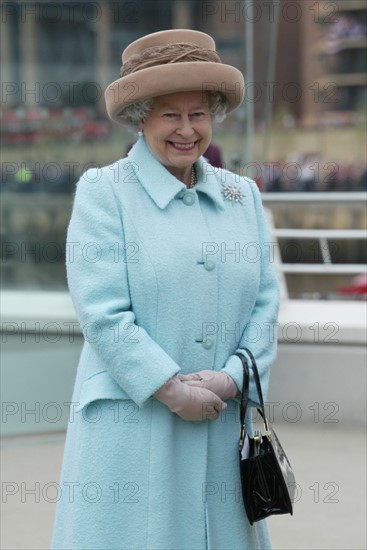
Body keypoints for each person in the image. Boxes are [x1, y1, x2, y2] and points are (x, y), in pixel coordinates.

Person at [52, 29, 279, 550]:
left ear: (214, 116)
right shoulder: (104, 192)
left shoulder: (240, 194)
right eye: (169, 115)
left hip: (221, 427)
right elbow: (103, 313)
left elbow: (266, 303)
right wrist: (173, 391)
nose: (186, 129)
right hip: (133, 429)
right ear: (141, 118)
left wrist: (227, 380)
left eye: (198, 113)